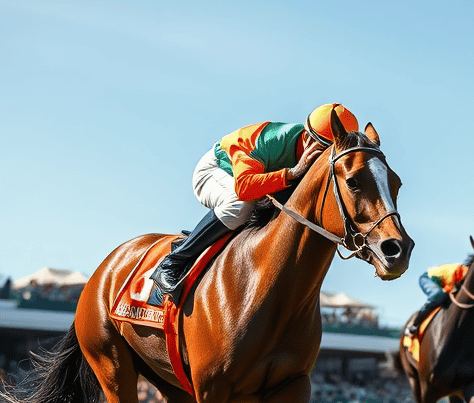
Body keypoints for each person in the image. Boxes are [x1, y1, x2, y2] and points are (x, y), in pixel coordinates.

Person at [151, 103, 360, 301]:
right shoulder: (270, 141)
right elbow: (244, 189)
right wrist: (292, 173)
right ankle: (173, 262)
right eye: (323, 152)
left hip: (256, 184)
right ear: (307, 137)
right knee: (239, 205)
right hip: (217, 171)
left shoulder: (315, 152)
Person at [404, 260, 470, 336]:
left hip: (443, 282)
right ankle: (415, 323)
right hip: (428, 278)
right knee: (438, 296)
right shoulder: (456, 272)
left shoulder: (465, 273)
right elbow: (449, 288)